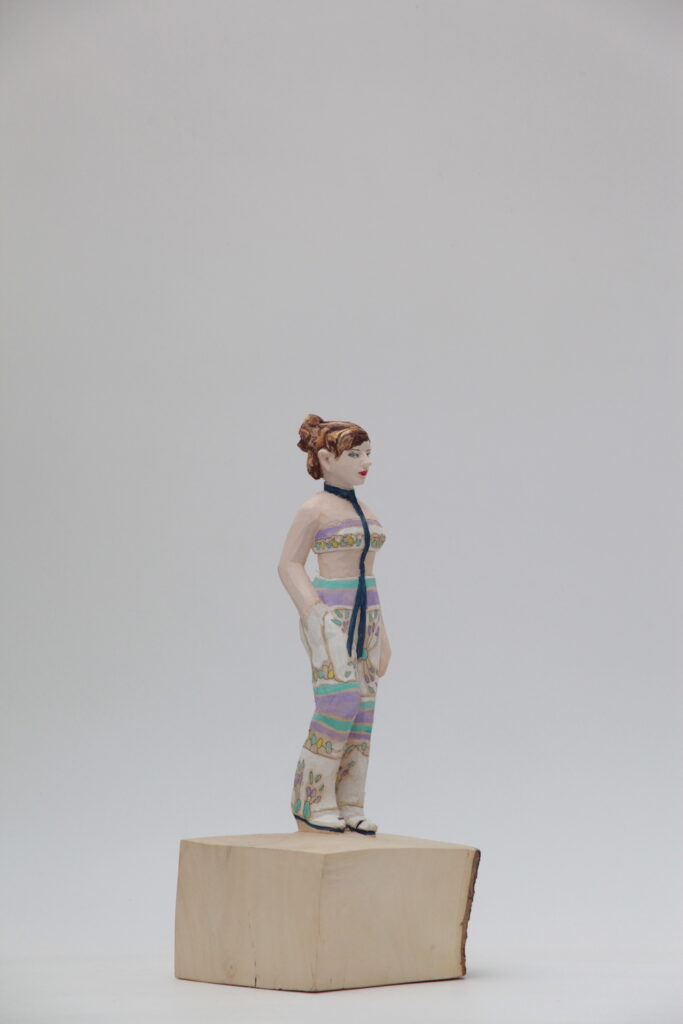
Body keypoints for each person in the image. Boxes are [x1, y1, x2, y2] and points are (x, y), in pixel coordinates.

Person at [277, 414, 391, 834]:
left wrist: (384, 635)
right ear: (326, 459)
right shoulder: (314, 509)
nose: (366, 462)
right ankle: (310, 800)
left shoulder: (365, 510)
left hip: (367, 616)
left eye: (368, 454)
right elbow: (288, 563)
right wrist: (314, 611)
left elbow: (368, 575)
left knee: (363, 708)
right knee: (338, 702)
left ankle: (350, 801)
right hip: (330, 614)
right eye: (355, 455)